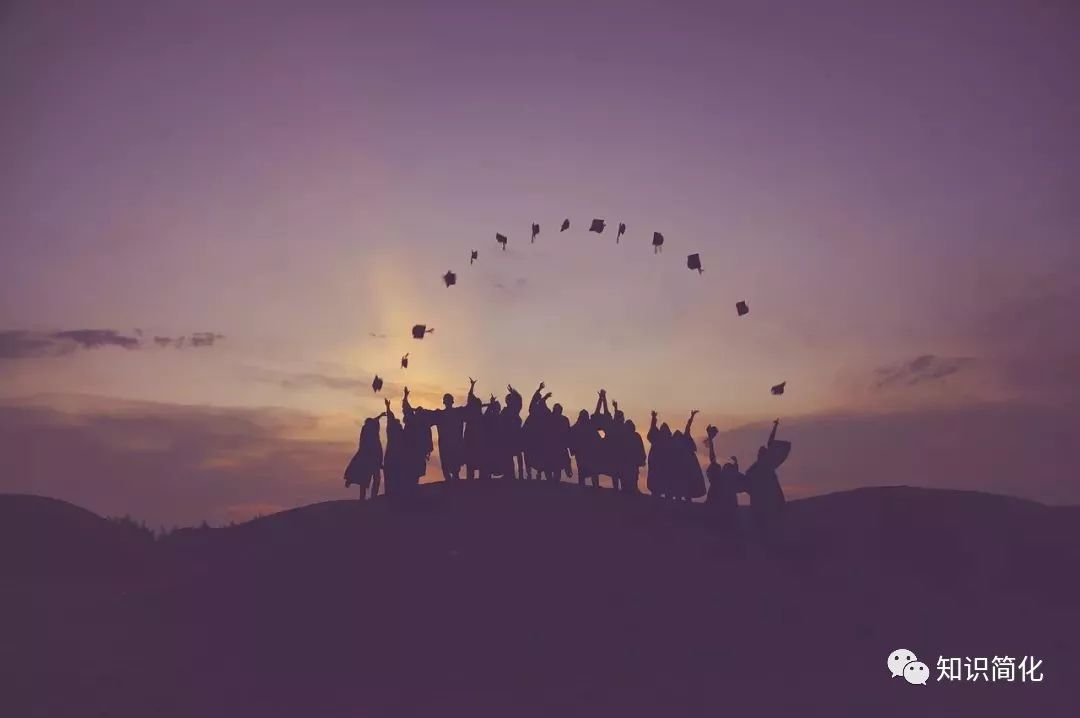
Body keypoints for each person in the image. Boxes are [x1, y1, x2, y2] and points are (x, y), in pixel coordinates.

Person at [744, 419, 788, 535]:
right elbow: (747, 478)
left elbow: (770, 442)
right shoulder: (757, 467)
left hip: (769, 495)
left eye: (762, 452)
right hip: (761, 498)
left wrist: (775, 427)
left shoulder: (765, 464)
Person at [431, 381, 470, 481]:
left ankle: (454, 477)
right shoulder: (441, 414)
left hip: (454, 443)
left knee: (454, 464)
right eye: (446, 400)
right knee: (447, 463)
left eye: (448, 400)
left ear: (451, 402)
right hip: (446, 444)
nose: (447, 402)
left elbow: (470, 407)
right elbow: (426, 415)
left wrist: (471, 389)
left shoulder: (457, 412)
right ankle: (450, 478)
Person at [704, 425, 740, 530]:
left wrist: (736, 464)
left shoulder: (723, 481)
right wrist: (710, 440)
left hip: (720, 506)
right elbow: (712, 457)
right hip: (717, 504)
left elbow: (712, 458)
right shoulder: (720, 480)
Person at [343, 411, 386, 500]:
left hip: (373, 460)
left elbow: (374, 421)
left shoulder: (370, 434)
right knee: (367, 479)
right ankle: (367, 497)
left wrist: (380, 416)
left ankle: (370, 497)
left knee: (372, 478)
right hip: (370, 460)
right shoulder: (368, 436)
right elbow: (373, 422)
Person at [570, 408, 601, 488]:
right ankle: (591, 487)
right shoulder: (579, 427)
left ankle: (593, 487)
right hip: (583, 454)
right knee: (586, 472)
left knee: (590, 472)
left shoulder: (588, 426)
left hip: (589, 453)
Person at [382, 398, 405, 497]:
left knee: (392, 474)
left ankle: (392, 493)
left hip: (393, 455)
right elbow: (390, 418)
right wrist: (388, 407)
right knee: (393, 474)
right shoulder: (396, 431)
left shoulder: (394, 431)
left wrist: (388, 407)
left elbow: (390, 418)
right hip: (394, 454)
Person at [647, 411, 672, 498]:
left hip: (662, 465)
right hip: (657, 464)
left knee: (662, 482)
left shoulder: (667, 441)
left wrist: (653, 418)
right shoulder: (659, 438)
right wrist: (653, 418)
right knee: (657, 483)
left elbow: (652, 429)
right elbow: (653, 429)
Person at [462, 379, 484, 480]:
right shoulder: (475, 415)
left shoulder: (475, 416)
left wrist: (472, 386)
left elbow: (470, 396)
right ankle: (474, 479)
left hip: (475, 440)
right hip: (472, 440)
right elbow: (470, 396)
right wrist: (472, 386)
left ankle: (474, 479)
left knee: (474, 461)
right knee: (472, 461)